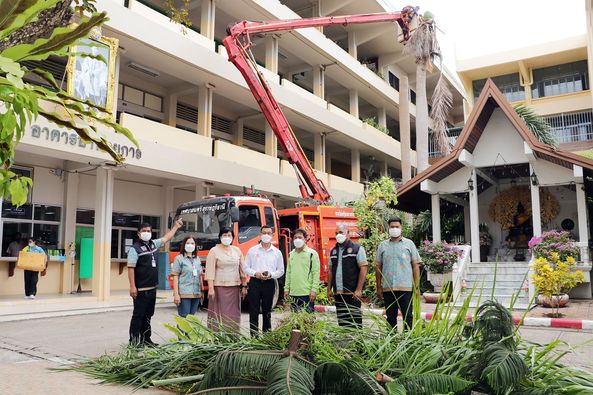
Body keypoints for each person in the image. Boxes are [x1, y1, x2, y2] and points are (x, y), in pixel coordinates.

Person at [127, 219, 183, 346]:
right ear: (138, 233)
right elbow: (131, 268)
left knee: (148, 315)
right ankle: (134, 341)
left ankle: (146, 339)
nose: (146, 233)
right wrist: (132, 287)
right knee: (138, 316)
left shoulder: (153, 244)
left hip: (152, 288)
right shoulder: (134, 249)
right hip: (140, 289)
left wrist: (175, 227)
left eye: (148, 231)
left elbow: (166, 238)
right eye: (144, 231)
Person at [375, 217, 421, 331]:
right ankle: (392, 342)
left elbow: (415, 266)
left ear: (401, 228)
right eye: (392, 227)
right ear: (388, 228)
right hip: (388, 288)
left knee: (408, 317)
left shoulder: (409, 244)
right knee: (390, 318)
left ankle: (408, 343)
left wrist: (417, 287)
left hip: (406, 288)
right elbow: (377, 267)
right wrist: (378, 287)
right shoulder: (382, 246)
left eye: (397, 227)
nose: (394, 229)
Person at [243, 225, 284, 336]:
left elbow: (281, 271)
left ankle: (267, 336)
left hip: (269, 283)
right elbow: (245, 267)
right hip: (255, 282)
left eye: (268, 233)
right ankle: (254, 337)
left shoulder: (277, 252)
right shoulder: (252, 250)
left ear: (272, 235)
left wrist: (271, 274)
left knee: (267, 311)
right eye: (264, 233)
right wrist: (255, 273)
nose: (266, 235)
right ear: (260, 235)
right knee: (253, 311)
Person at [205, 227, 247, 334]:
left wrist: (244, 285)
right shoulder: (214, 251)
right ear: (220, 237)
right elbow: (210, 270)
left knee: (233, 314)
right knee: (218, 314)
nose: (227, 238)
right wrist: (211, 289)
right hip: (219, 288)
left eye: (229, 236)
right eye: (224, 235)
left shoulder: (237, 250)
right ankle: (217, 338)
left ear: (233, 238)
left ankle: (233, 337)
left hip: (234, 287)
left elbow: (242, 269)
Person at [327, 224, 368, 328]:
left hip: (352, 293)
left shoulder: (357, 248)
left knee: (354, 322)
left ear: (348, 233)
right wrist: (329, 289)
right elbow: (330, 271)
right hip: (338, 293)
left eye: (341, 232)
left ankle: (356, 343)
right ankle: (345, 343)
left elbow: (364, 268)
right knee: (342, 322)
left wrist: (359, 289)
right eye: (336, 233)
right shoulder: (333, 251)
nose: (338, 235)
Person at [283, 228, 320, 313]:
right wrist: (286, 289)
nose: (297, 240)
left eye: (300, 237)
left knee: (308, 322)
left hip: (307, 293)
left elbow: (316, 273)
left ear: (305, 239)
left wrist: (314, 290)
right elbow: (288, 273)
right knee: (295, 322)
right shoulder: (291, 254)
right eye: (295, 237)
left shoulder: (312, 254)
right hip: (293, 293)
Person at [171, 236, 203, 318]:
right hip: (184, 293)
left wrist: (201, 291)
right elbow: (175, 277)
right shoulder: (179, 259)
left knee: (191, 319)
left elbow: (200, 275)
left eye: (192, 243)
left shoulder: (197, 259)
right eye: (188, 243)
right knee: (184, 319)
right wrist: (176, 294)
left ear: (195, 245)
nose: (190, 245)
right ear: (184, 245)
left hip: (196, 293)